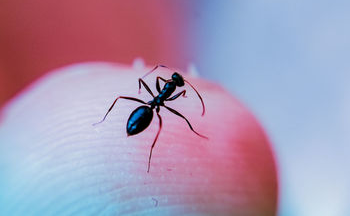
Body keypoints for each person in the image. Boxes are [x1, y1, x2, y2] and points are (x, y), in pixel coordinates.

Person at [0, 63, 278, 215]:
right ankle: (106, 123)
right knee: (131, 104)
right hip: (144, 112)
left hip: (144, 111)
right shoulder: (168, 91)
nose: (174, 82)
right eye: (175, 82)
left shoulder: (164, 89)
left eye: (175, 82)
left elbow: (161, 88)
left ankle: (158, 146)